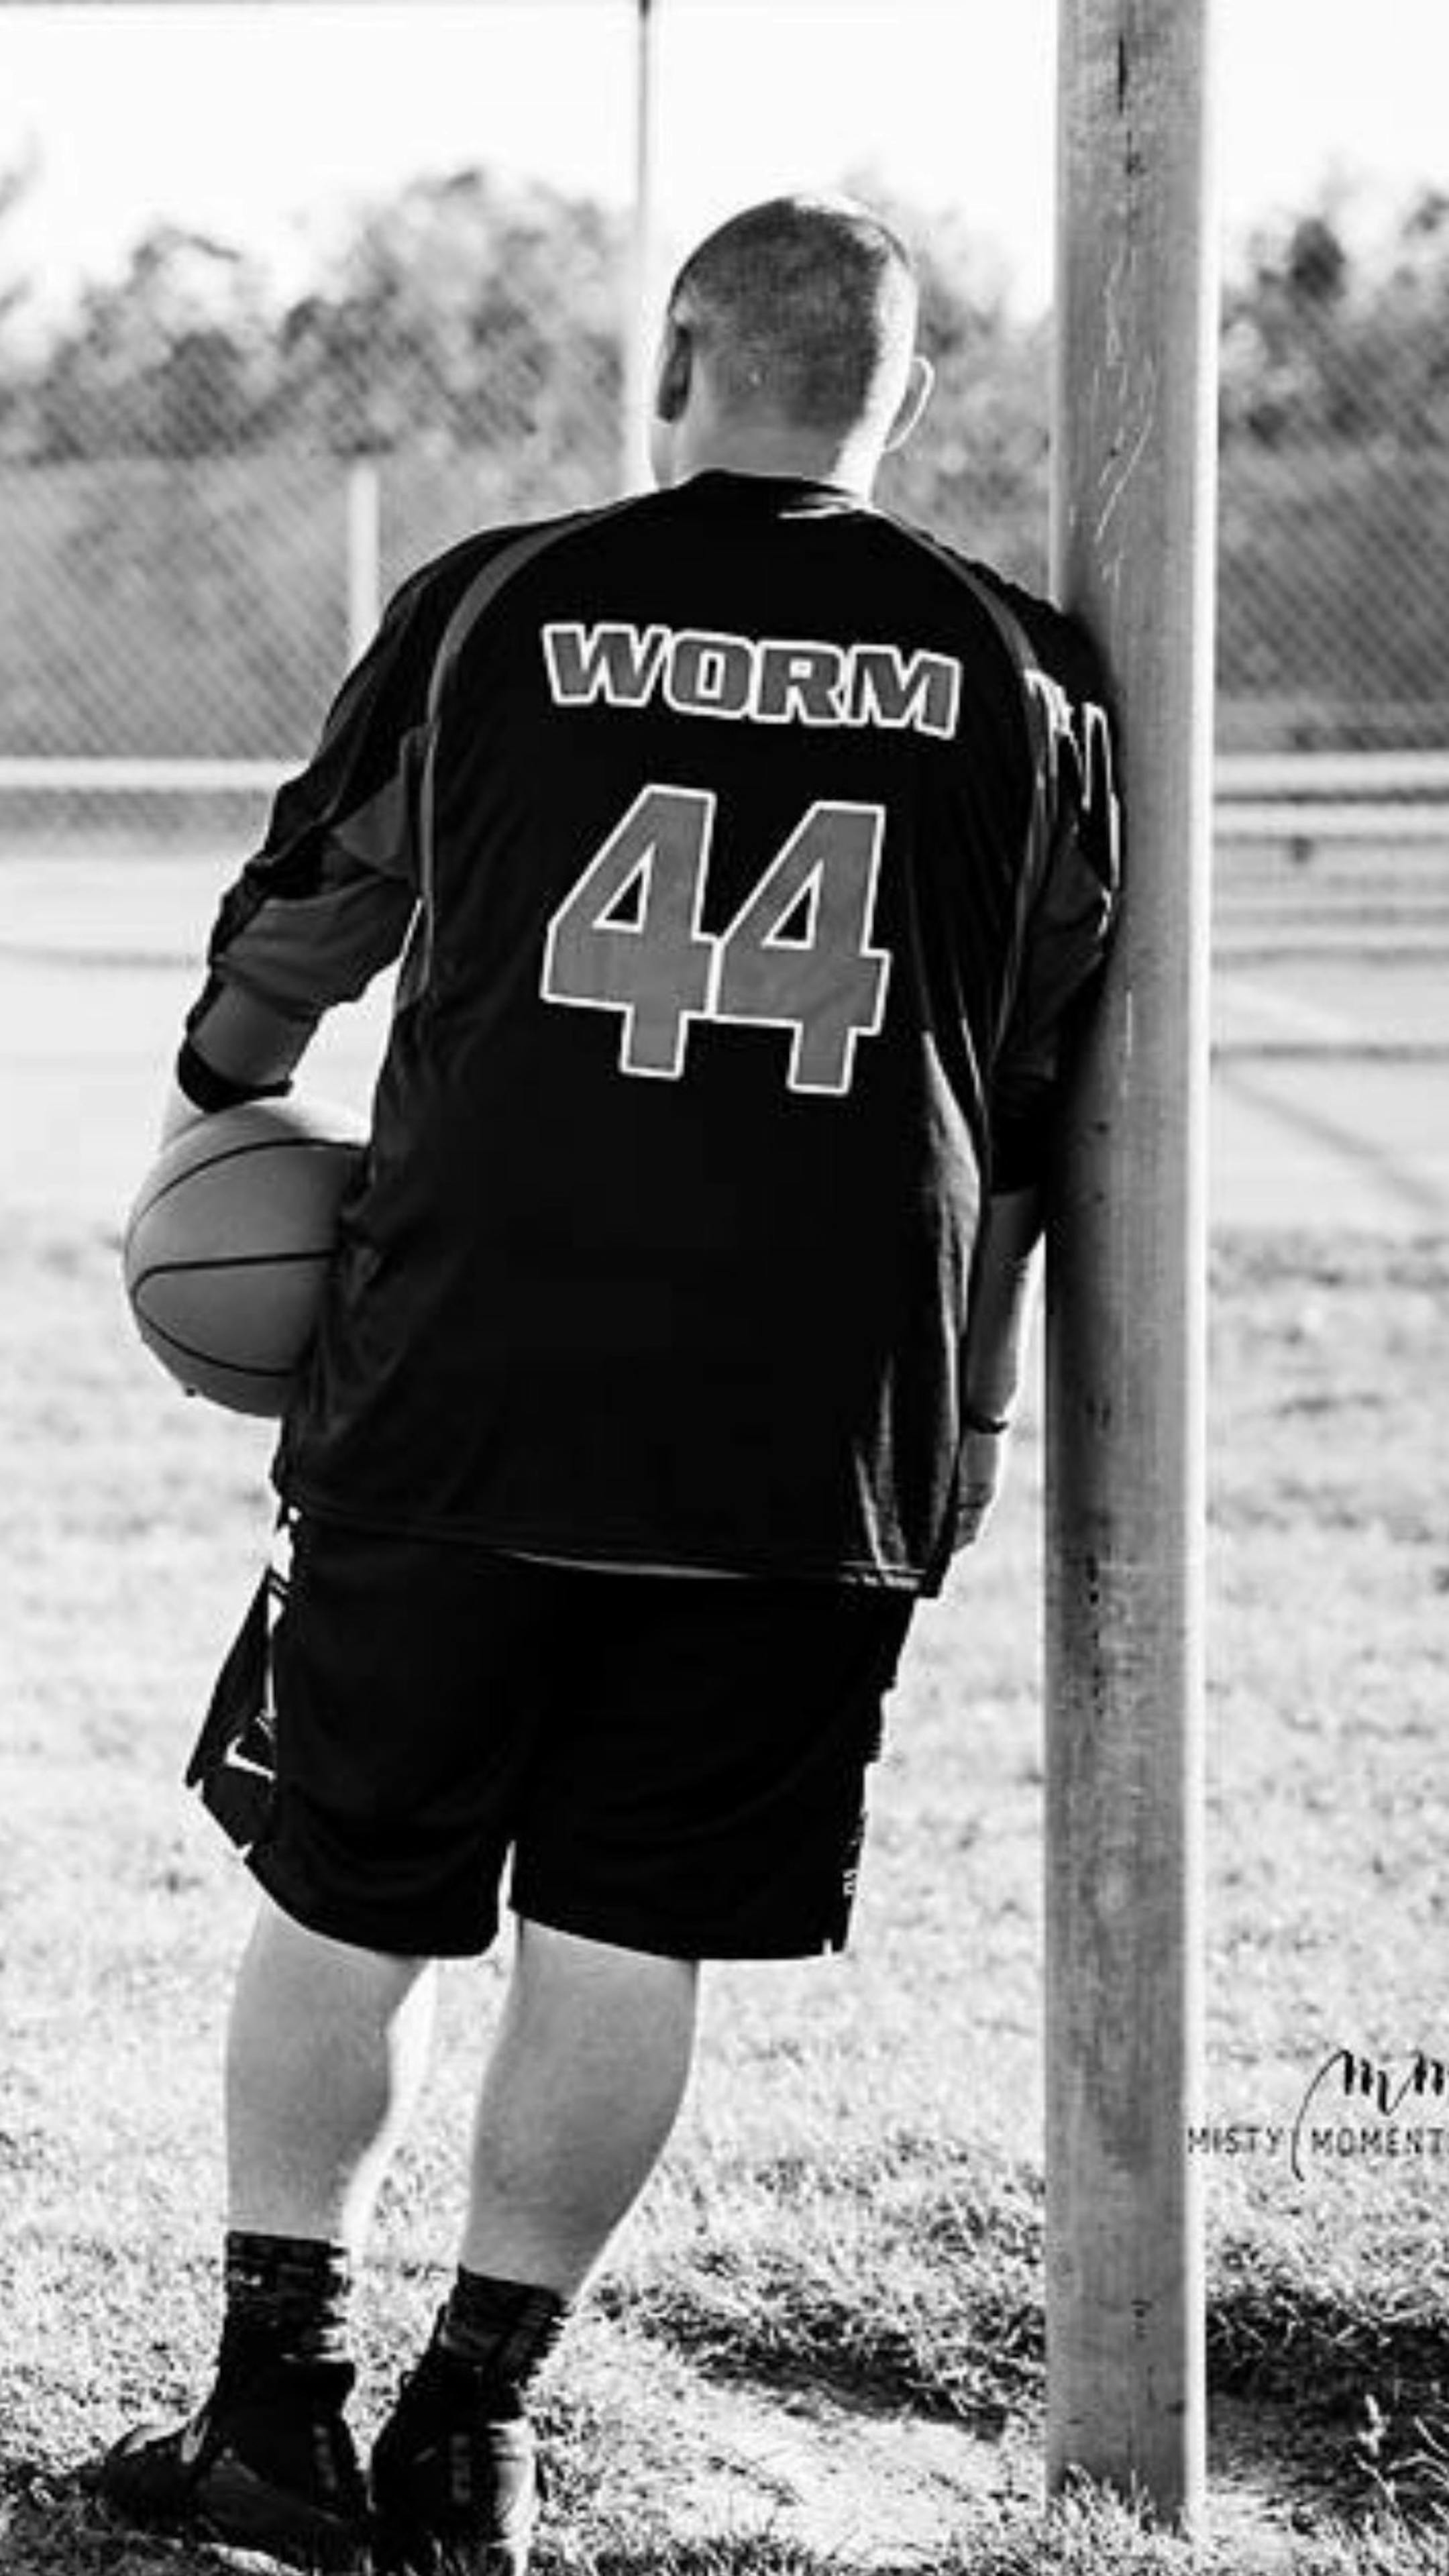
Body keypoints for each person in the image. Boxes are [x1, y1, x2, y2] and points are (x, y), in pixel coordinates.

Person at [97, 193, 1117, 2576]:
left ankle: (273, 2413)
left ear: (676, 361)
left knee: (352, 1896)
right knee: (626, 1932)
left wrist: (215, 1090)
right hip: (806, 1421)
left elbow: (315, 905)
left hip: (465, 1378)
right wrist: (962, 1410)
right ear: (907, 405)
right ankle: (477, 2434)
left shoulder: (503, 597)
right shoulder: (1031, 671)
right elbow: (1044, 1085)